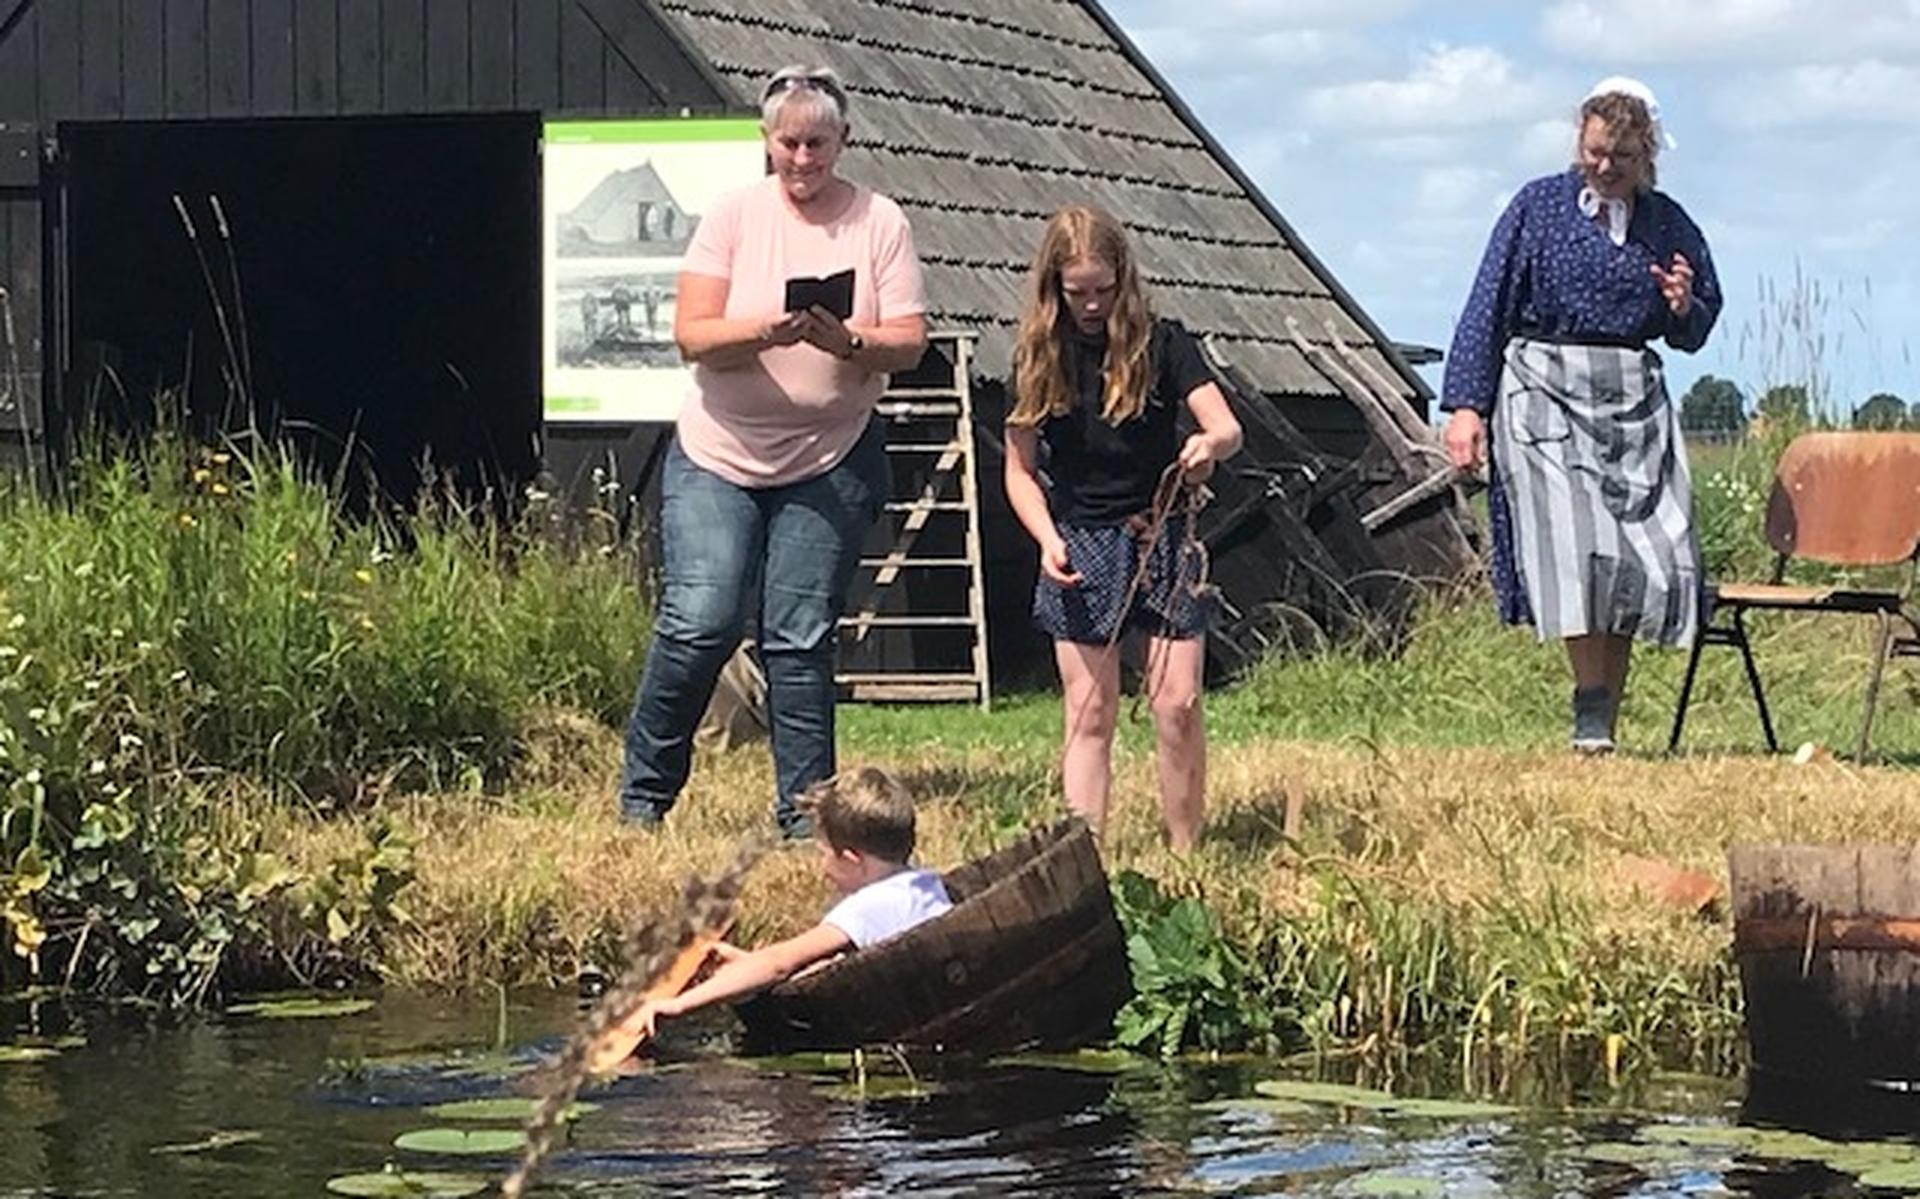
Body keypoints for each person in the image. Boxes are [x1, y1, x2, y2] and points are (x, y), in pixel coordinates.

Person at [617, 67, 928, 834]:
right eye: (788, 143)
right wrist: (766, 330)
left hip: (830, 456)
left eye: (817, 144)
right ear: (766, 141)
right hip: (720, 452)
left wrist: (846, 340)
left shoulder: (880, 221)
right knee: (702, 618)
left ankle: (804, 818)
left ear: (843, 141)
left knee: (799, 635)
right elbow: (693, 336)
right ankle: (643, 797)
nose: (802, 159)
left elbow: (908, 343)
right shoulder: (732, 215)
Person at [1441, 77, 1722, 755]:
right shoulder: (1537, 207)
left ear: (1647, 155)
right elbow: (1487, 306)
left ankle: (1603, 718)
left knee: (1631, 559)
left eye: (1620, 157)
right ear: (1579, 141)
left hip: (1630, 401)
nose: (1604, 166)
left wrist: (1682, 306)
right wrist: (1466, 407)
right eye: (1595, 151)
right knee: (1576, 551)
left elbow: (1695, 326)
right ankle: (1589, 708)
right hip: (1545, 393)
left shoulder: (1668, 225)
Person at [1002, 205, 1243, 852]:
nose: (1091, 306)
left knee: (1178, 702)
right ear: (1054, 288)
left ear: (1123, 279)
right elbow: (1019, 473)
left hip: (1162, 533)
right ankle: (1086, 856)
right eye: (1076, 292)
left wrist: (1208, 446)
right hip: (1078, 541)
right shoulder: (1037, 358)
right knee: (1091, 712)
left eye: (1102, 290)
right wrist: (1047, 539)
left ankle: (1186, 850)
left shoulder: (1165, 344)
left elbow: (1226, 427)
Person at [624, 766, 952, 1038]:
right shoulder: (925, 885)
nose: (821, 867)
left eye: (823, 853)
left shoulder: (868, 907)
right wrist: (746, 963)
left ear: (852, 860)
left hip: (886, 1029)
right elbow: (831, 970)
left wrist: (679, 1005)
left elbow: (780, 962)